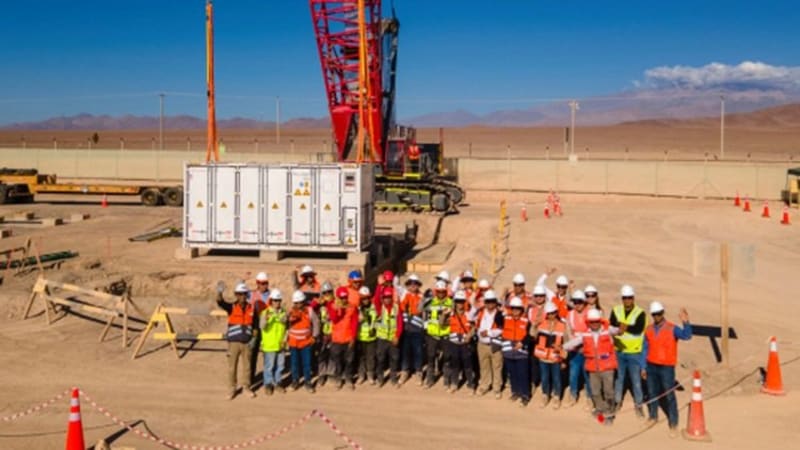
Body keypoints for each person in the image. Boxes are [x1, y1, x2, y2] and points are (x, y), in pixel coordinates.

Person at [643, 302, 692, 436]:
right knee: (652, 393)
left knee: (669, 395)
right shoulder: (648, 329)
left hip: (666, 367)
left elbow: (687, 336)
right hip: (651, 366)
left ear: (663, 313)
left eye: (659, 313)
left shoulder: (672, 328)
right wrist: (643, 367)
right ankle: (653, 416)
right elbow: (644, 349)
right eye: (654, 314)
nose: (657, 316)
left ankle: (673, 423)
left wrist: (686, 322)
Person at [564, 308, 619, 425]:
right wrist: (562, 347)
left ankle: (609, 414)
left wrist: (622, 328)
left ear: (600, 321)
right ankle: (600, 409)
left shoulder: (607, 330)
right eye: (592, 322)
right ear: (588, 322)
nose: (594, 324)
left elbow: (618, 331)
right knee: (595, 392)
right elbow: (573, 342)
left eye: (596, 321)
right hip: (593, 368)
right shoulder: (585, 333)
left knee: (608, 392)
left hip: (607, 367)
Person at [216, 281, 260, 399]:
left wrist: (254, 340)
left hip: (247, 343)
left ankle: (246, 387)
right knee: (232, 367)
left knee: (247, 367)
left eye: (244, 294)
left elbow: (255, 326)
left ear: (247, 295)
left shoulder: (252, 308)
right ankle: (232, 389)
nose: (242, 296)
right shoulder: (231, 307)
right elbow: (220, 302)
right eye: (240, 294)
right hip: (234, 343)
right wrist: (219, 292)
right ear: (236, 295)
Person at [609, 284, 647, 417]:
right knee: (619, 379)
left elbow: (638, 328)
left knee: (636, 380)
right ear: (622, 298)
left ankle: (639, 405)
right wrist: (623, 326)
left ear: (633, 298)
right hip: (619, 351)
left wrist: (624, 327)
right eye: (625, 298)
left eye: (629, 298)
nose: (627, 300)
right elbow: (612, 325)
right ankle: (617, 402)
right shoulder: (616, 310)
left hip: (634, 353)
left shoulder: (640, 313)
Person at [534, 302, 567, 409]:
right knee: (544, 378)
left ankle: (557, 397)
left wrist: (563, 358)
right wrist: (534, 325)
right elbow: (534, 337)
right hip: (543, 358)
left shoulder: (562, 326)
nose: (551, 315)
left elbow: (566, 344)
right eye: (549, 313)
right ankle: (545, 396)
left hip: (556, 358)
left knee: (557, 379)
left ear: (556, 313)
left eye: (553, 313)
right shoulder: (541, 324)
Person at [565, 289, 593, 409]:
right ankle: (572, 395)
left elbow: (591, 332)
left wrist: (582, 344)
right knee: (573, 374)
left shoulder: (590, 313)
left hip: (587, 349)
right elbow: (568, 331)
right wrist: (574, 344)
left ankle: (590, 398)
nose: (577, 305)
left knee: (588, 375)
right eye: (575, 302)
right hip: (575, 350)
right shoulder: (570, 314)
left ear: (584, 302)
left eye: (580, 302)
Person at [502, 296, 532, 407]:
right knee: (512, 374)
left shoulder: (526, 321)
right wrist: (503, 305)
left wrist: (523, 343)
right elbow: (496, 319)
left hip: (521, 353)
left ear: (521, 309)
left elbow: (530, 335)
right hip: (508, 351)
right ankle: (515, 392)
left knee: (522, 375)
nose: (515, 310)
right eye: (513, 308)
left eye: (517, 308)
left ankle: (525, 395)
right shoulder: (505, 318)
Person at [474, 289, 504, 398]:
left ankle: (497, 388)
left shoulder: (500, 314)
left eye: (492, 301)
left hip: (494, 344)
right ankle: (484, 386)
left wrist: (489, 333)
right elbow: (476, 325)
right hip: (482, 344)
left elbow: (502, 329)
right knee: (484, 367)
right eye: (487, 301)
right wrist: (479, 333)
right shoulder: (481, 312)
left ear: (495, 302)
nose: (490, 304)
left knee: (497, 367)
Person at [287, 290, 319, 393]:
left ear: (303, 301)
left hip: (306, 343)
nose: (298, 305)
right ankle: (295, 381)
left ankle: (308, 382)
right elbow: (286, 323)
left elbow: (316, 322)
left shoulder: (309, 311)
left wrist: (314, 336)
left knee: (307, 363)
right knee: (294, 363)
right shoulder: (290, 312)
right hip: (294, 343)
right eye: (296, 303)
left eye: (300, 302)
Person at [423, 280, 453, 389]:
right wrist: (426, 330)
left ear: (446, 291)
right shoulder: (430, 302)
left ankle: (446, 381)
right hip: (432, 335)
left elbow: (453, 319)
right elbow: (425, 316)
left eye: (443, 291)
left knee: (447, 358)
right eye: (438, 291)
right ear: (436, 292)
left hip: (445, 335)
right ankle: (429, 380)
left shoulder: (451, 303)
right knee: (430, 358)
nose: (441, 293)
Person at [447, 290, 476, 394]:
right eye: (458, 301)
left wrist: (470, 335)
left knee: (468, 366)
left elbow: (474, 327)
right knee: (455, 365)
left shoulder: (469, 315)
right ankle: (454, 384)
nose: (460, 303)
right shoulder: (450, 314)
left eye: (462, 301)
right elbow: (442, 323)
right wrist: (443, 314)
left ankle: (471, 385)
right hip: (454, 343)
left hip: (465, 344)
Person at [398, 274, 425, 384]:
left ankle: (418, 371)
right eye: (410, 283)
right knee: (405, 351)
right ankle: (405, 371)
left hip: (417, 328)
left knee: (418, 351)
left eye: (415, 283)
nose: (413, 286)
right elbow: (401, 308)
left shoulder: (422, 297)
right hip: (406, 328)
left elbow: (424, 312)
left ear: (418, 285)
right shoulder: (404, 295)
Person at [259, 289, 287, 395]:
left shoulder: (284, 313)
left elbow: (286, 327)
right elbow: (262, 327)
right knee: (269, 366)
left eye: (279, 300)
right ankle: (268, 384)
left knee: (280, 366)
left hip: (280, 344)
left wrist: (285, 340)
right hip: (269, 345)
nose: (277, 303)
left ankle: (278, 383)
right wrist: (266, 320)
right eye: (275, 300)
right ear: (271, 301)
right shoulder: (265, 313)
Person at [330, 286, 358, 390]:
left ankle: (349, 379)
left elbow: (354, 323)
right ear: (338, 298)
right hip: (337, 340)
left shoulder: (352, 307)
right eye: (342, 298)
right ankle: (338, 379)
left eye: (345, 297)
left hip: (348, 339)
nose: (344, 300)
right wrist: (339, 310)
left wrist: (353, 338)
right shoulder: (333, 307)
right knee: (337, 361)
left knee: (349, 361)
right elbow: (334, 319)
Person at [375, 286, 403, 387]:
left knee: (394, 359)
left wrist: (397, 336)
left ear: (392, 297)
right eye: (385, 297)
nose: (387, 299)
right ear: (382, 298)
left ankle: (393, 379)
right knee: (380, 359)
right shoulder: (380, 308)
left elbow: (400, 323)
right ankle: (380, 379)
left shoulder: (396, 308)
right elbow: (376, 300)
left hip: (393, 339)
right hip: (382, 339)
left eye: (389, 296)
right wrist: (379, 286)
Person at [312, 281, 336, 387]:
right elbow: (311, 307)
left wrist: (329, 304)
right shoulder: (319, 303)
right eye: (325, 292)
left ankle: (331, 373)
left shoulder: (335, 303)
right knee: (321, 355)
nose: (327, 295)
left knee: (332, 354)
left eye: (329, 292)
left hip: (333, 333)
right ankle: (322, 373)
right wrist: (318, 302)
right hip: (322, 334)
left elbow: (334, 316)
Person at [528, 284, 548, 394]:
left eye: (541, 295)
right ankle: (535, 381)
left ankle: (544, 383)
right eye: (537, 296)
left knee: (544, 361)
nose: (539, 298)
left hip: (545, 336)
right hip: (534, 337)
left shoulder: (549, 308)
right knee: (534, 361)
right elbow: (531, 322)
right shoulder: (531, 310)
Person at [355, 286, 378, 385]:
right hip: (360, 337)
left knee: (371, 357)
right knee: (361, 357)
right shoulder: (357, 309)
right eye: (363, 298)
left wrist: (375, 328)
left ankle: (370, 375)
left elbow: (377, 320)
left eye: (367, 298)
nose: (366, 300)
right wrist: (358, 320)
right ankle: (361, 375)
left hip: (371, 337)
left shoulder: (374, 307)